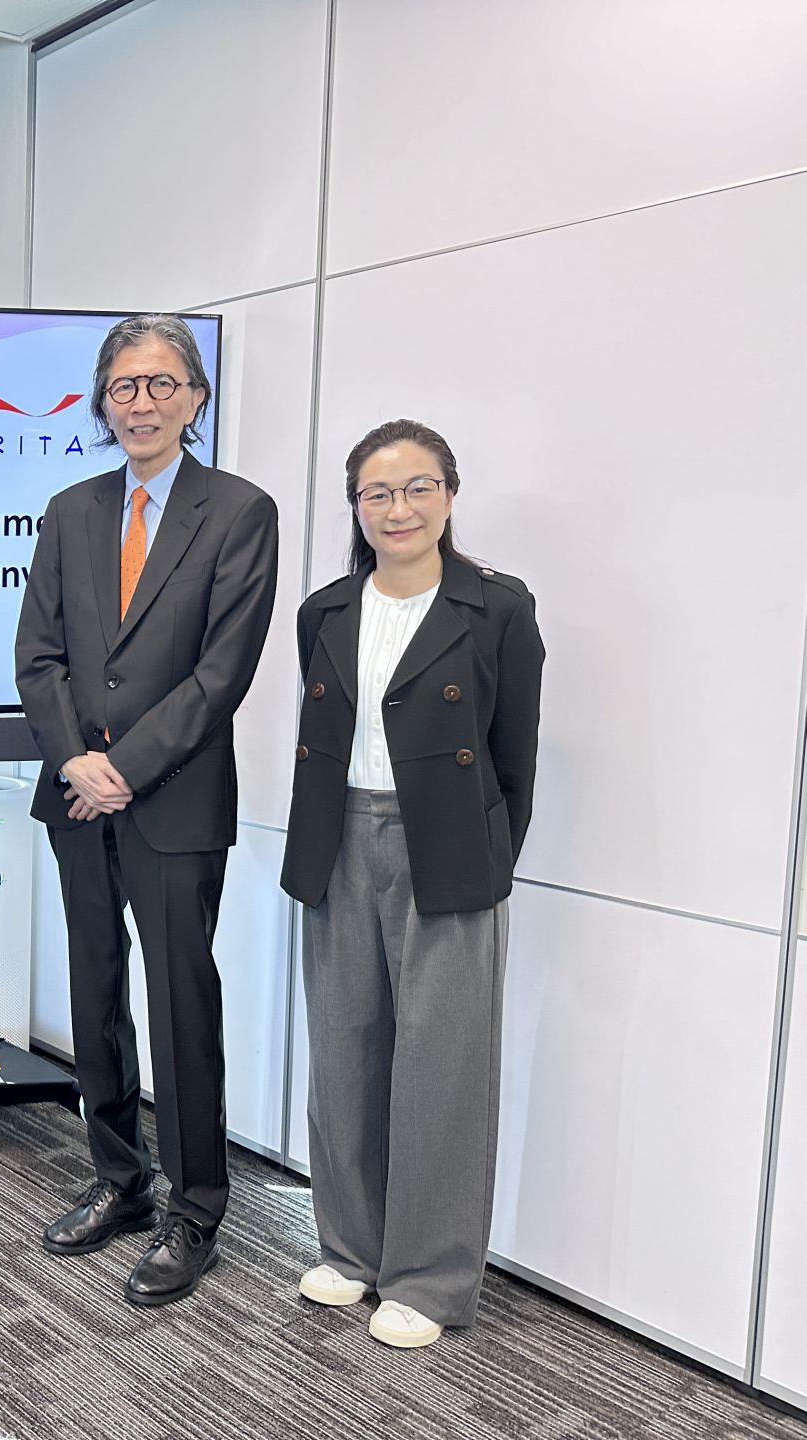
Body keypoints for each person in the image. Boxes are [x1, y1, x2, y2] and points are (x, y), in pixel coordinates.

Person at [15, 314, 278, 1306]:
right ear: (102, 400)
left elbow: (223, 671)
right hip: (79, 796)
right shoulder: (70, 509)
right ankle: (120, 1179)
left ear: (196, 399)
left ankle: (196, 1204)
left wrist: (126, 765)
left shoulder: (240, 511)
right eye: (124, 385)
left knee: (180, 1005)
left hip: (173, 798)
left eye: (162, 384)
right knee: (95, 996)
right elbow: (37, 654)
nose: (142, 402)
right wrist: (79, 760)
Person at [279, 418, 543, 1348]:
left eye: (418, 487)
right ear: (357, 506)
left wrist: (485, 861)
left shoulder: (496, 608)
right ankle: (352, 1252)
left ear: (450, 494)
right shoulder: (325, 611)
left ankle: (429, 1280)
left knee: (443, 1064)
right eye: (378, 493)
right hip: (338, 838)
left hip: (448, 849)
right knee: (344, 1050)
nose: (399, 508)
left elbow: (516, 758)